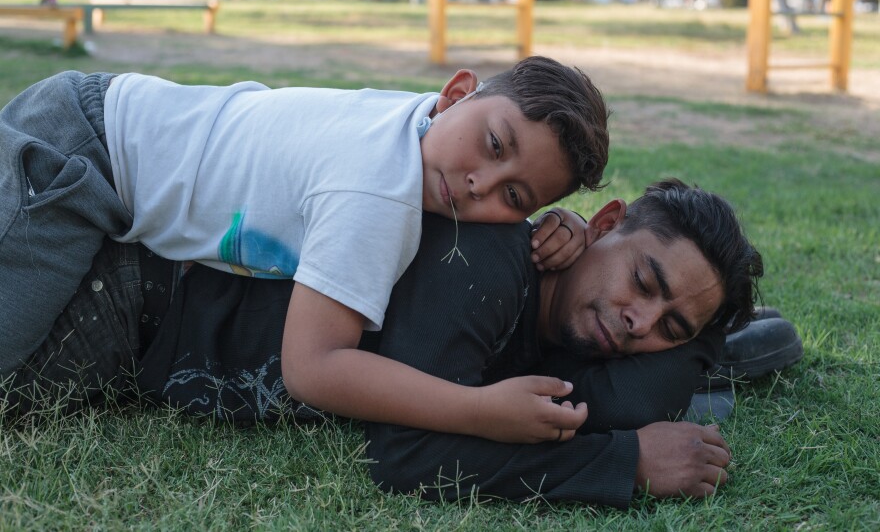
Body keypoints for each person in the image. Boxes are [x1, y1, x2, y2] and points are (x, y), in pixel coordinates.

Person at [4, 179, 769, 506]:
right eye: (644, 278)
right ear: (601, 224)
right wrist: (623, 462)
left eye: (670, 327)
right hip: (119, 291)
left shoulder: (565, 320)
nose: (639, 320)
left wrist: (704, 341)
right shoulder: (490, 262)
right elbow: (406, 453)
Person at [0, 56, 609, 443]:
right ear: (455, 94)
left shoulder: (418, 126)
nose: (480, 183)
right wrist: (478, 411)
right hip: (80, 158)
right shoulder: (380, 191)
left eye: (514, 194)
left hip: (96, 120)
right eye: (494, 144)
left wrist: (571, 226)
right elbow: (313, 369)